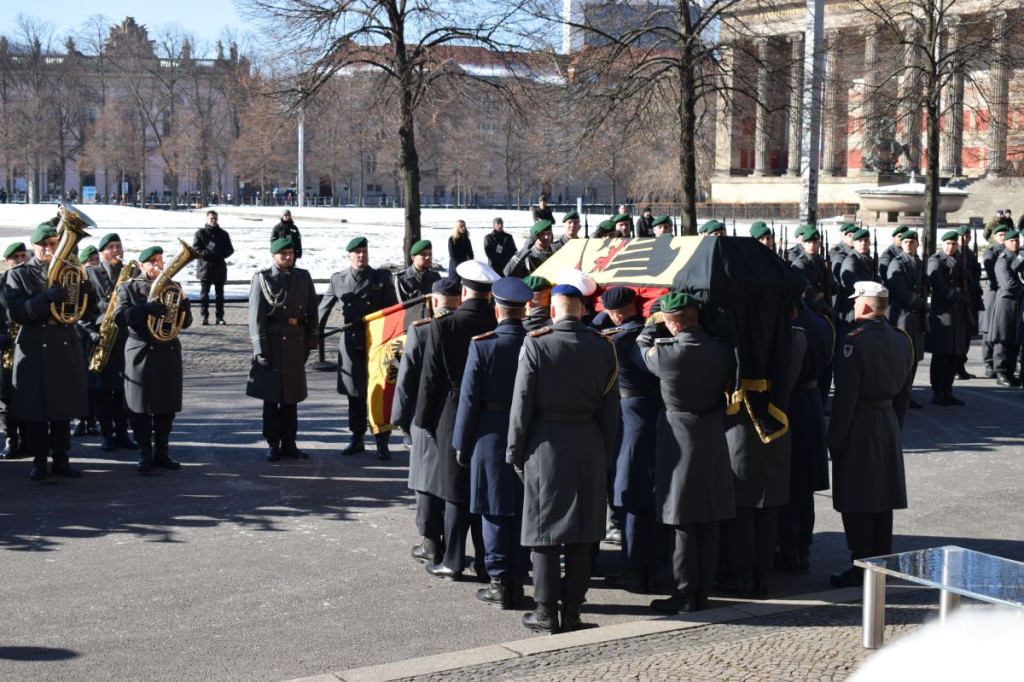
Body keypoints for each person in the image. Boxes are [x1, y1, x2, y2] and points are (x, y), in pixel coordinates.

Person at [508, 283, 619, 634]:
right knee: (582, 533)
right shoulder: (603, 346)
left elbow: (522, 401)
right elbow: (611, 409)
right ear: (583, 310)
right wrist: (607, 453)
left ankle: (545, 612)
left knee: (544, 532)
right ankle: (572, 610)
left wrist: (514, 449)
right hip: (589, 443)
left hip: (545, 444)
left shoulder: (537, 342)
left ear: (554, 311)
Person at [636, 292, 734, 614]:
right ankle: (704, 588)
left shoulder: (668, 354)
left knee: (683, 521)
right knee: (710, 517)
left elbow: (640, 349)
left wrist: (651, 325)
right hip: (712, 432)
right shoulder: (722, 350)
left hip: (679, 435)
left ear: (673, 324)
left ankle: (685, 593)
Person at [452, 277, 534, 609]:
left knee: (493, 510)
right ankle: (517, 578)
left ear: (496, 309)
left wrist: (461, 443)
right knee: (522, 509)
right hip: (528, 434)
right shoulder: (536, 342)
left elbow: (469, 400)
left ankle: (500, 583)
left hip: (489, 434)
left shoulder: (483, 345)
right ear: (524, 309)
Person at [416, 260, 500, 581]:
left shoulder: (443, 325)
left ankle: (452, 559)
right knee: (482, 490)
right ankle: (483, 560)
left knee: (454, 492)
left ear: (463, 291)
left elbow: (430, 380)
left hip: (450, 412)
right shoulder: (497, 322)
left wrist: (424, 422)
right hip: (491, 414)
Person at [828, 281, 913, 587]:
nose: (853, 306)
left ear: (864, 305)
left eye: (855, 302)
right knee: (882, 498)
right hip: (888, 420)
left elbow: (845, 398)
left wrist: (835, 439)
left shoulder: (855, 341)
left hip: (859, 424)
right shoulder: (902, 339)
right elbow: (905, 393)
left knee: (857, 498)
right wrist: (894, 426)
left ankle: (862, 562)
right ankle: (883, 557)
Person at [5, 223, 89, 481]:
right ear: (33, 246)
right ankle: (39, 461)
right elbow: (17, 312)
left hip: (64, 342)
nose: (49, 249)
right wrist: (46, 298)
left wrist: (86, 291)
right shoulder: (19, 273)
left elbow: (83, 311)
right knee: (36, 410)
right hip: (34, 344)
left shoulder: (69, 270)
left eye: (53, 244)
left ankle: (62, 460)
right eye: (43, 245)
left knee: (62, 408)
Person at [393, 277, 462, 566]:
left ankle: (431, 543)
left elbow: (406, 381)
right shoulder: (467, 328)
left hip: (425, 415)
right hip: (456, 416)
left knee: (425, 481)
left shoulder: (421, 330)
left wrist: (399, 419)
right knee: (450, 482)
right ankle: (451, 544)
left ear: (433, 302)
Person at [599, 287, 663, 595]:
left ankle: (635, 569)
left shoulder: (616, 340)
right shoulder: (657, 333)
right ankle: (655, 563)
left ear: (614, 313)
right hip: (659, 417)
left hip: (628, 419)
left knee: (629, 495)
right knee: (652, 494)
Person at [318, 236, 399, 459]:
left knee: (381, 391)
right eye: (357, 252)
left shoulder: (381, 277)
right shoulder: (338, 280)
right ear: (349, 256)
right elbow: (322, 311)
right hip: (351, 343)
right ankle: (357, 437)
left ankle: (382, 439)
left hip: (377, 342)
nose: (361, 255)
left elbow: (392, 311)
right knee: (354, 394)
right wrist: (311, 337)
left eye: (364, 251)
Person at [114, 245, 193, 473]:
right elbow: (120, 319)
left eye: (160, 260)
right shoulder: (127, 288)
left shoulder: (174, 287)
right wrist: (144, 309)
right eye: (152, 261)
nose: (157, 265)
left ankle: (162, 452)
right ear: (141, 265)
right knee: (139, 407)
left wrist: (186, 310)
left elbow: (184, 324)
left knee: (166, 406)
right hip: (141, 351)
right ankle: (144, 453)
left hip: (167, 351)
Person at [247, 237, 319, 461]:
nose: (288, 258)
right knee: (272, 398)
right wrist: (261, 348)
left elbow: (312, 312)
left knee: (291, 398)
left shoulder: (303, 277)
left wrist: (310, 343)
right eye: (283, 254)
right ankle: (273, 443)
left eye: (291, 253)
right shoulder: (263, 279)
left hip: (296, 342)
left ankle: (290, 442)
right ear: (273, 256)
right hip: (273, 342)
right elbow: (256, 317)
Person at [776, 298, 833, 574]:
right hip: (812, 402)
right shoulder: (823, 324)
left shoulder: (790, 326)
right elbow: (827, 374)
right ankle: (803, 547)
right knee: (805, 487)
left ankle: (790, 551)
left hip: (791, 404)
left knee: (789, 484)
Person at [79, 233, 138, 452]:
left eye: (118, 246)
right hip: (100, 338)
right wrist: (90, 331)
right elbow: (81, 309)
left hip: (124, 337)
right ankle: (106, 434)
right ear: (102, 251)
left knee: (123, 389)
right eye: (111, 247)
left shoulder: (130, 272)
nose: (116, 250)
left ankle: (122, 432)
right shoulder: (89, 272)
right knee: (102, 391)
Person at [926, 231, 971, 406]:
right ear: (942, 244)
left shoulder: (959, 259)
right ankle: (937, 391)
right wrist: (959, 296)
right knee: (941, 356)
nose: (951, 247)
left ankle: (948, 390)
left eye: (954, 244)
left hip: (956, 314)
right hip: (943, 314)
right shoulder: (936, 261)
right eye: (948, 244)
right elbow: (940, 288)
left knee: (954, 355)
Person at [886, 231, 928, 408]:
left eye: (912, 242)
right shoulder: (897, 263)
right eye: (906, 242)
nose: (909, 245)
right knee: (903, 357)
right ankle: (897, 394)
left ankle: (907, 393)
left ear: (918, 244)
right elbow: (900, 292)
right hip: (902, 315)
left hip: (916, 315)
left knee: (914, 356)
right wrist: (921, 302)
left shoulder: (918, 262)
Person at [0, 241, 28, 459]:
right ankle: (11, 439)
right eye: (15, 258)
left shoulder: (33, 281)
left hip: (28, 345)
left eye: (22, 256)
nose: (20, 261)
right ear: (7, 261)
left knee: (29, 397)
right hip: (5, 346)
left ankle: (29, 440)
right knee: (6, 398)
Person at [989, 230, 1024, 387]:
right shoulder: (1002, 260)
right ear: (1005, 242)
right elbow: (1008, 284)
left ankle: (1010, 372)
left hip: (1018, 303)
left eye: (1017, 240)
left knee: (1015, 339)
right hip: (1007, 303)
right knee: (1003, 338)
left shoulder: (1018, 257)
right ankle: (1001, 372)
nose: (1015, 243)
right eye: (1012, 241)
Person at [192, 210, 234, 325]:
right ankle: (204, 316)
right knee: (204, 295)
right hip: (205, 268)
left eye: (215, 218)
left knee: (219, 295)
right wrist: (208, 253)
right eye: (211, 218)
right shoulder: (200, 233)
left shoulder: (223, 234)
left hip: (219, 268)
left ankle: (219, 317)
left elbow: (230, 249)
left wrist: (220, 254)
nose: (214, 220)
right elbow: (196, 249)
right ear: (207, 219)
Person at [837, 228, 877, 339]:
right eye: (860, 240)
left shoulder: (868, 260)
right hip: (852, 310)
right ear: (854, 243)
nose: (863, 243)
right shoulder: (851, 260)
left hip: (866, 308)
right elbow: (852, 284)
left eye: (866, 240)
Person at [790, 227, 837, 319]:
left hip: (823, 305)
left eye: (815, 242)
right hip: (808, 308)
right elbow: (808, 291)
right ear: (803, 244)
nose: (812, 245)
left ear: (819, 244)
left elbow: (831, 285)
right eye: (808, 242)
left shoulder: (820, 260)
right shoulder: (800, 263)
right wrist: (825, 308)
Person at [954, 225, 982, 381]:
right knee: (960, 336)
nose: (965, 238)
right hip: (961, 299)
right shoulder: (956, 254)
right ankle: (956, 367)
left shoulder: (970, 254)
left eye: (967, 236)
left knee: (968, 335)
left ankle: (961, 366)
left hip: (970, 298)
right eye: (962, 236)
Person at [981, 225, 1009, 378]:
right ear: (995, 236)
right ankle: (988, 362)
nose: (1003, 237)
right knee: (988, 328)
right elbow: (992, 272)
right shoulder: (991, 252)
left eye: (1005, 234)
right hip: (994, 292)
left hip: (1004, 294)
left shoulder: (1010, 252)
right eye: (1000, 234)